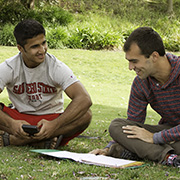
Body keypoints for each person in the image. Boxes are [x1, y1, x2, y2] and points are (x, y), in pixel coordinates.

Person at [90, 27, 180, 167]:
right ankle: (169, 156)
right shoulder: (141, 83)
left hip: (167, 135)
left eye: (135, 61)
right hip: (168, 132)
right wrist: (108, 149)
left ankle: (148, 152)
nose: (130, 67)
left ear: (154, 56)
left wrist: (155, 137)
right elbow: (132, 124)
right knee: (117, 126)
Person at [0, 19, 92, 149]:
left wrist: (55, 125)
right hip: (20, 120)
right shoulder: (9, 67)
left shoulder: (56, 67)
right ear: (20, 48)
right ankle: (43, 141)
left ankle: (18, 140)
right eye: (35, 46)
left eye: (43, 43)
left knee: (86, 115)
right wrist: (11, 124)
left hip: (50, 120)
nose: (42, 50)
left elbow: (84, 99)